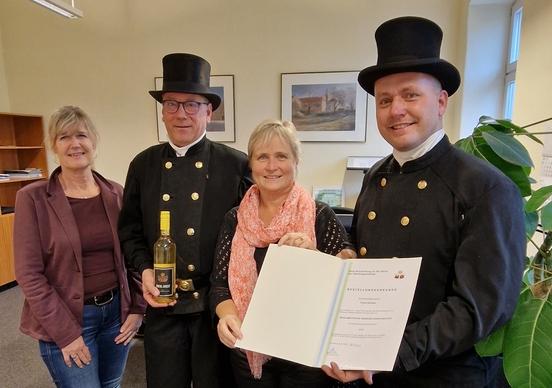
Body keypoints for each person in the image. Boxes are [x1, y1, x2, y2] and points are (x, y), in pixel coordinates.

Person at [322, 16, 526, 387]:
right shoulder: (375, 174)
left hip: (445, 376)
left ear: (442, 101)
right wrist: (348, 255)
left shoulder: (485, 188)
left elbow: (477, 309)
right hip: (374, 369)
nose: (395, 110)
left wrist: (389, 354)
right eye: (384, 100)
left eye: (410, 95)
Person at [118, 53, 251, 388]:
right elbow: (130, 231)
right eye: (172, 104)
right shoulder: (143, 165)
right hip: (163, 304)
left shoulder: (235, 166)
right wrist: (145, 270)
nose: (181, 114)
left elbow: (251, 236)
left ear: (209, 110)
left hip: (215, 307)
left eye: (191, 105)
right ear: (162, 110)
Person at [210, 119, 349, 388]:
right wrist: (227, 316)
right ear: (251, 164)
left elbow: (347, 272)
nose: (271, 166)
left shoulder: (320, 214)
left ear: (296, 162)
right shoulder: (234, 219)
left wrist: (314, 254)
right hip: (249, 345)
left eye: (281, 156)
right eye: (262, 157)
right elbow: (219, 285)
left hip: (306, 351)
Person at [14, 106, 146, 388]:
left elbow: (133, 254)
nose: (75, 144)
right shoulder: (33, 199)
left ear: (93, 142)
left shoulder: (115, 193)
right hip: (69, 319)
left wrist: (138, 309)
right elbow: (29, 275)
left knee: (111, 385)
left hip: (115, 315)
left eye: (81, 135)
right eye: (64, 137)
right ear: (53, 145)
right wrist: (66, 334)